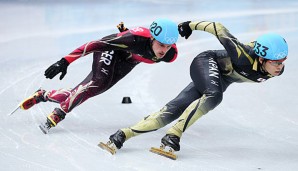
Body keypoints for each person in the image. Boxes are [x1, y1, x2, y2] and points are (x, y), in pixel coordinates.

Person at [106, 20, 288, 153]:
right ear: (262, 58)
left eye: (282, 62)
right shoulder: (243, 55)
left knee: (174, 109)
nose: (279, 67)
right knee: (214, 96)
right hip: (207, 62)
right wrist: (189, 25)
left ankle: (123, 134)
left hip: (221, 78)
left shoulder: (275, 67)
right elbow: (218, 28)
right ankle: (173, 135)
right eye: (276, 63)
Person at [19, 18, 179, 134]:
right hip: (111, 50)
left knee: (89, 91)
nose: (163, 50)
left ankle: (44, 95)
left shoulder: (170, 55)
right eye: (160, 45)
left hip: (128, 61)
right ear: (151, 38)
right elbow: (95, 44)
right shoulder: (134, 39)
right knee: (98, 82)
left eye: (168, 46)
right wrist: (65, 61)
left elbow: (148, 52)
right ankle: (59, 113)